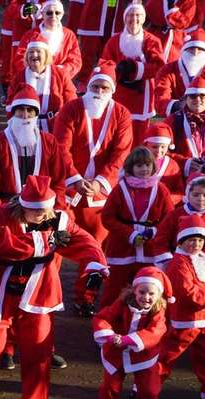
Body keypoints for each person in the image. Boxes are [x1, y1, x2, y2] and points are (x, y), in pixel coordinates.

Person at [0, 176, 108, 399]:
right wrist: (50, 242)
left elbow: (85, 241)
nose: (42, 216)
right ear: (23, 207)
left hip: (38, 295)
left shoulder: (57, 219)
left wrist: (96, 265)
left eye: (45, 211)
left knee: (38, 361)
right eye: (36, 211)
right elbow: (7, 248)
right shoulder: (2, 215)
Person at [55, 60, 133, 317]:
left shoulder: (121, 114)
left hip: (99, 194)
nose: (99, 92)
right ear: (87, 87)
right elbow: (60, 147)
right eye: (95, 86)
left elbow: (120, 154)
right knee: (55, 244)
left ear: (112, 90)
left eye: (104, 87)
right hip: (69, 190)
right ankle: (47, 293)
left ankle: (85, 297)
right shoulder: (71, 109)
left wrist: (99, 183)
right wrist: (75, 179)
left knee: (96, 251)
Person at [92, 266, 170, 399]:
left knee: (149, 390)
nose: (146, 297)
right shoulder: (122, 303)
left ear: (159, 295)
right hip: (116, 353)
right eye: (142, 292)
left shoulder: (158, 311)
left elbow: (156, 331)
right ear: (134, 290)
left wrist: (127, 340)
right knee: (109, 387)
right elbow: (102, 318)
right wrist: (109, 335)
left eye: (151, 294)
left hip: (144, 355)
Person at [0, 84, 68, 222]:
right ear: (13, 113)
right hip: (8, 211)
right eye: (20, 110)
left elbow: (59, 181)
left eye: (30, 110)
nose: (25, 115)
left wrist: (56, 213)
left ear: (36, 114)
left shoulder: (49, 141)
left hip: (42, 212)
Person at [100, 147, 174, 307]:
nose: (144, 169)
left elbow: (170, 219)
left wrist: (154, 231)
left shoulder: (161, 190)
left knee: (149, 288)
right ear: (130, 167)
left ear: (153, 167)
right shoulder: (120, 189)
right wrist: (130, 234)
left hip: (150, 247)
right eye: (139, 165)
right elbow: (107, 218)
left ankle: (148, 322)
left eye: (147, 165)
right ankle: (107, 323)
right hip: (122, 246)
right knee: (115, 288)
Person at [99, 3, 165, 144]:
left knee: (140, 135)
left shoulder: (152, 41)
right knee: (119, 130)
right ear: (124, 18)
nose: (134, 19)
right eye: (130, 15)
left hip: (142, 96)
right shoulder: (114, 41)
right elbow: (104, 64)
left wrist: (136, 69)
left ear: (143, 19)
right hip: (119, 93)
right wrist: (116, 71)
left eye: (138, 15)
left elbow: (159, 67)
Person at [159, 214, 205, 399]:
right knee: (169, 355)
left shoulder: (200, 257)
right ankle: (146, 385)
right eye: (192, 240)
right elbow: (189, 293)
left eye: (200, 240)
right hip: (186, 319)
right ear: (182, 241)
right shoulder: (178, 264)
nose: (196, 244)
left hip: (201, 318)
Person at [7, 32, 77, 133]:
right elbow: (10, 104)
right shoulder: (19, 77)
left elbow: (71, 101)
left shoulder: (60, 74)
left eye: (38, 51)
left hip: (55, 126)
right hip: (26, 127)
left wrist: (66, 123)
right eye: (31, 52)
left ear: (46, 55)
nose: (34, 55)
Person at [13, 0, 82, 79]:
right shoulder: (31, 34)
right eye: (49, 13)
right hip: (33, 78)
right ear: (42, 14)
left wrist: (59, 71)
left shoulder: (69, 35)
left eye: (57, 13)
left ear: (62, 14)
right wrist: (35, 71)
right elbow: (20, 58)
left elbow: (75, 61)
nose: (53, 16)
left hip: (59, 79)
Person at [151, 172, 205, 264]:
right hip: (177, 262)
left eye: (204, 195)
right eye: (195, 195)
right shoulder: (175, 214)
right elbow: (161, 239)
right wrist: (167, 261)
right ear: (188, 194)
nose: (200, 199)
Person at [75, 0, 130, 88]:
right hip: (92, 15)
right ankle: (83, 81)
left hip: (114, 14)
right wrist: (73, 24)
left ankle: (105, 81)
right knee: (88, 52)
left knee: (109, 55)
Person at [154, 29, 205, 116]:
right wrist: (179, 105)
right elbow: (160, 101)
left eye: (200, 49)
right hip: (177, 119)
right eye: (191, 49)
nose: (195, 53)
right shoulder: (167, 70)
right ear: (183, 50)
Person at [165, 74, 205, 174]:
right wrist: (184, 163)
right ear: (185, 99)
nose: (198, 100)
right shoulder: (173, 120)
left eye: (202, 96)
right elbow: (159, 151)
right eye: (193, 96)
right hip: (183, 177)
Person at [142, 122, 184, 205]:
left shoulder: (172, 165)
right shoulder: (137, 162)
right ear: (146, 145)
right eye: (154, 147)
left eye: (163, 147)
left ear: (168, 146)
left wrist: (166, 200)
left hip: (164, 208)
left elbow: (179, 191)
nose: (158, 151)